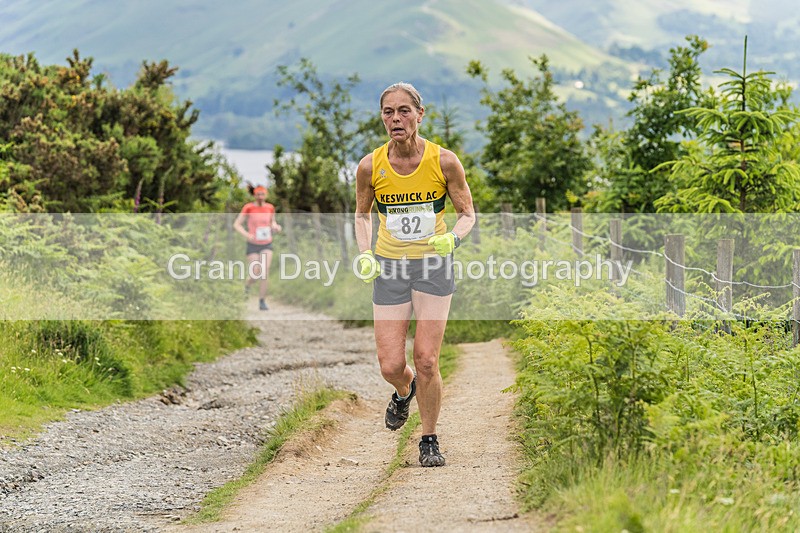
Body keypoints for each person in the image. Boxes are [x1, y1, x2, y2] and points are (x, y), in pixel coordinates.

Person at [354, 82, 475, 467]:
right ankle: (404, 391)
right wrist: (365, 254)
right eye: (388, 112)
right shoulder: (371, 165)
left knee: (426, 359)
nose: (396, 119)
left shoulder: (444, 162)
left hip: (432, 266)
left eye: (404, 111)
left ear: (420, 115)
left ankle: (429, 438)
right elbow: (361, 213)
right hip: (389, 267)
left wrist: (452, 239)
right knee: (391, 365)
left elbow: (468, 214)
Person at [233, 184, 282, 311]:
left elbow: (272, 222)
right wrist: (247, 235)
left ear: (266, 195)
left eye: (263, 194)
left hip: (267, 243)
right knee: (255, 272)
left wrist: (276, 227)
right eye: (258, 194)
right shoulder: (248, 208)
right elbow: (237, 224)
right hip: (253, 244)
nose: (260, 197)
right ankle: (247, 286)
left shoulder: (270, 208)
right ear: (254, 195)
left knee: (265, 271)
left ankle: (262, 301)